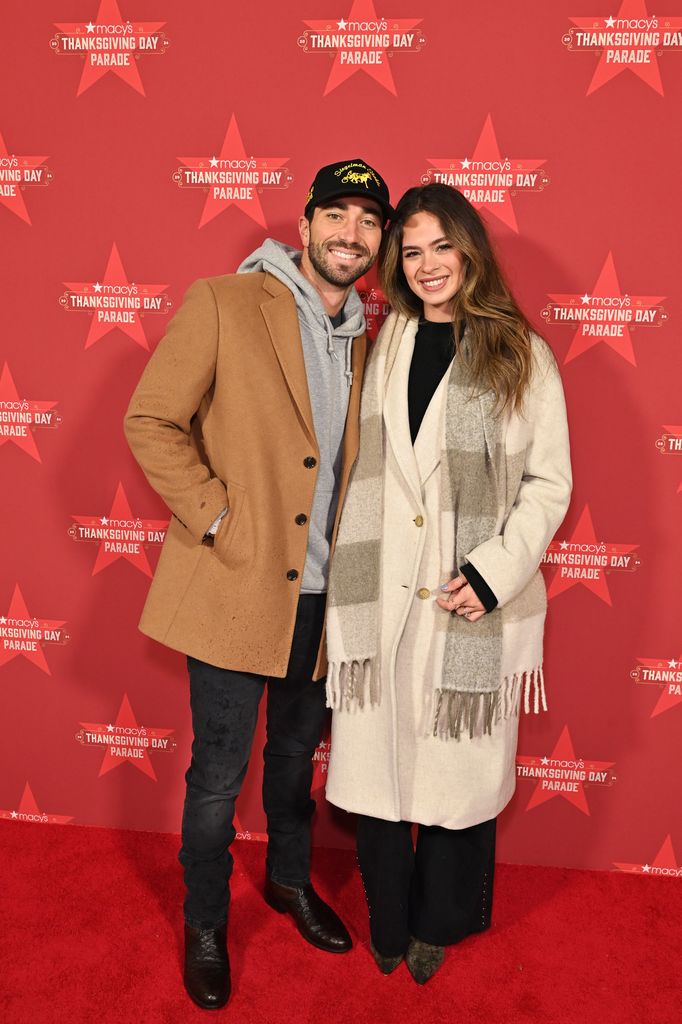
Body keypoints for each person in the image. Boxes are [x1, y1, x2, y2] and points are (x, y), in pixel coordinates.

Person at [124, 159, 393, 1010]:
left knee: (291, 765)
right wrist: (215, 516)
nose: (351, 234)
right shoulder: (224, 302)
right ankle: (205, 918)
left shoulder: (367, 336)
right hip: (240, 586)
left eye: (369, 222)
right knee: (216, 775)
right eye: (338, 215)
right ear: (307, 222)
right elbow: (151, 418)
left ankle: (286, 880)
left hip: (323, 599)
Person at [324, 183, 572, 984]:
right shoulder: (385, 338)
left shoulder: (521, 353)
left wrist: (491, 573)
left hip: (470, 600)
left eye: (443, 247)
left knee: (456, 784)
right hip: (378, 595)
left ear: (471, 251)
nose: (429, 265)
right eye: (413, 250)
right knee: (374, 775)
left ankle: (437, 926)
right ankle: (388, 926)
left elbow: (548, 484)